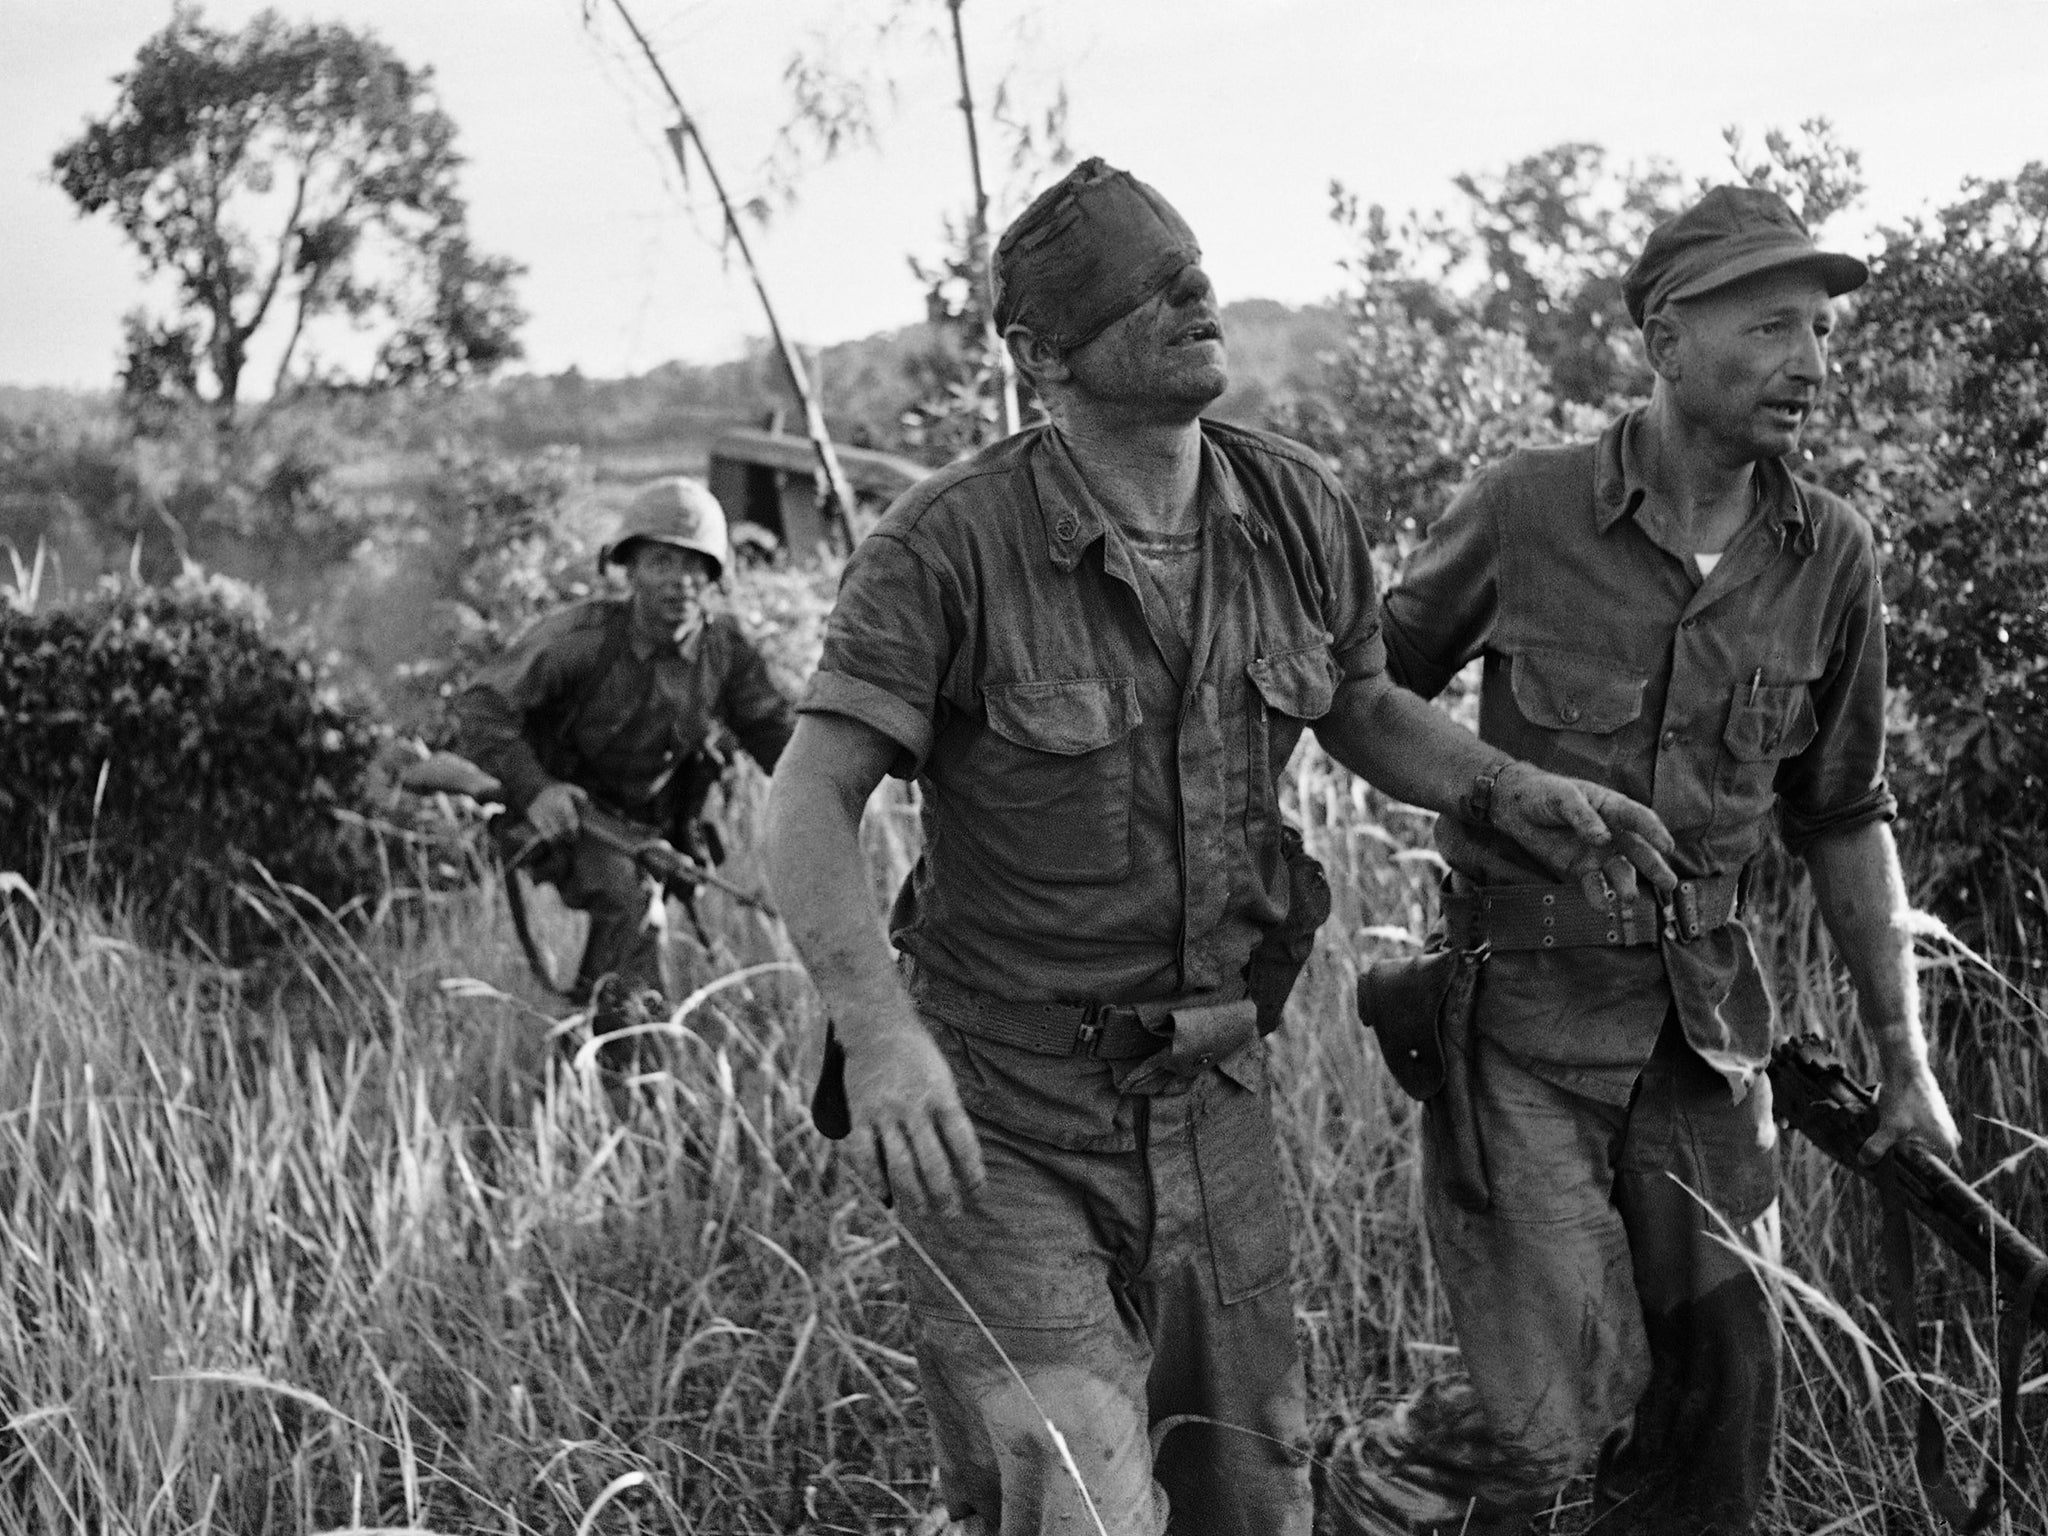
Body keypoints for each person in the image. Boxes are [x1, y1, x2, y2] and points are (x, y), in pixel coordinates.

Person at [765, 157, 1678, 1536]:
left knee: (1249, 1486)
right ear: (1037, 354)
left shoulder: (1297, 509)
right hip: (1005, 1112)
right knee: (1071, 1482)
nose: (1195, 293)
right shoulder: (947, 548)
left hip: (1213, 1095)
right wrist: (879, 1034)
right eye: (1141, 287)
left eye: (1191, 266)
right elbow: (806, 800)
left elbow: (1364, 704)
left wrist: (1509, 791)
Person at [1362, 186, 1963, 1536]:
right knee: (1564, 1418)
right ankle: (1386, 1483)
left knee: (1717, 1422)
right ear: (1665, 337)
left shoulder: (1832, 558)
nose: (1812, 364)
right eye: (1772, 327)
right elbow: (1363, 692)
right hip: (1524, 1035)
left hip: (1709, 1048)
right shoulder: (1524, 511)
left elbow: (1844, 815)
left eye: (1821, 330)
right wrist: (1503, 793)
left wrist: (1906, 1060)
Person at [455, 476, 794, 1056]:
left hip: (648, 825)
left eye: (696, 566)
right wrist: (537, 790)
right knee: (632, 902)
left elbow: (775, 736)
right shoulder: (580, 639)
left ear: (715, 578)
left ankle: (591, 1055)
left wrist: (836, 789)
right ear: (630, 568)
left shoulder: (724, 653)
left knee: (633, 910)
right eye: (662, 561)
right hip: (561, 816)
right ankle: (631, 1069)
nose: (680, 582)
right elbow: (482, 709)